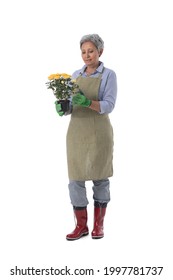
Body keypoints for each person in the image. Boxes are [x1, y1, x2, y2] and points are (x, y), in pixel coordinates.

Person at [55, 34, 117, 240]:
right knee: (75, 179)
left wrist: (88, 101)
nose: (87, 55)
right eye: (83, 51)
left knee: (100, 177)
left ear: (100, 51)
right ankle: (81, 226)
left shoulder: (109, 75)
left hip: (99, 133)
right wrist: (64, 108)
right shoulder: (75, 75)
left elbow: (109, 104)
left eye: (91, 51)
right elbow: (72, 106)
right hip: (76, 133)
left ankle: (98, 225)